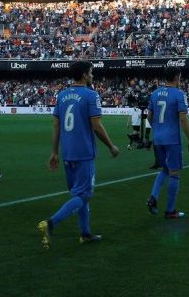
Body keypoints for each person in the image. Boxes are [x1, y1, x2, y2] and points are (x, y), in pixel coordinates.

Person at [38, 61, 120, 250]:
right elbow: (97, 125)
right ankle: (51, 223)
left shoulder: (62, 95)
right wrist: (111, 146)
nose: (92, 76)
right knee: (83, 195)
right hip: (84, 152)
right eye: (91, 73)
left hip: (68, 153)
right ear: (84, 75)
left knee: (80, 195)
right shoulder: (91, 95)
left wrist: (54, 152)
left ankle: (85, 233)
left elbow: (56, 125)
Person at [146, 67, 189, 219]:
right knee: (174, 172)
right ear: (176, 77)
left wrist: (158, 129)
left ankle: (153, 197)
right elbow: (183, 118)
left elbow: (149, 116)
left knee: (165, 169)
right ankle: (170, 210)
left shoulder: (155, 94)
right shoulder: (179, 94)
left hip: (158, 138)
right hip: (172, 139)